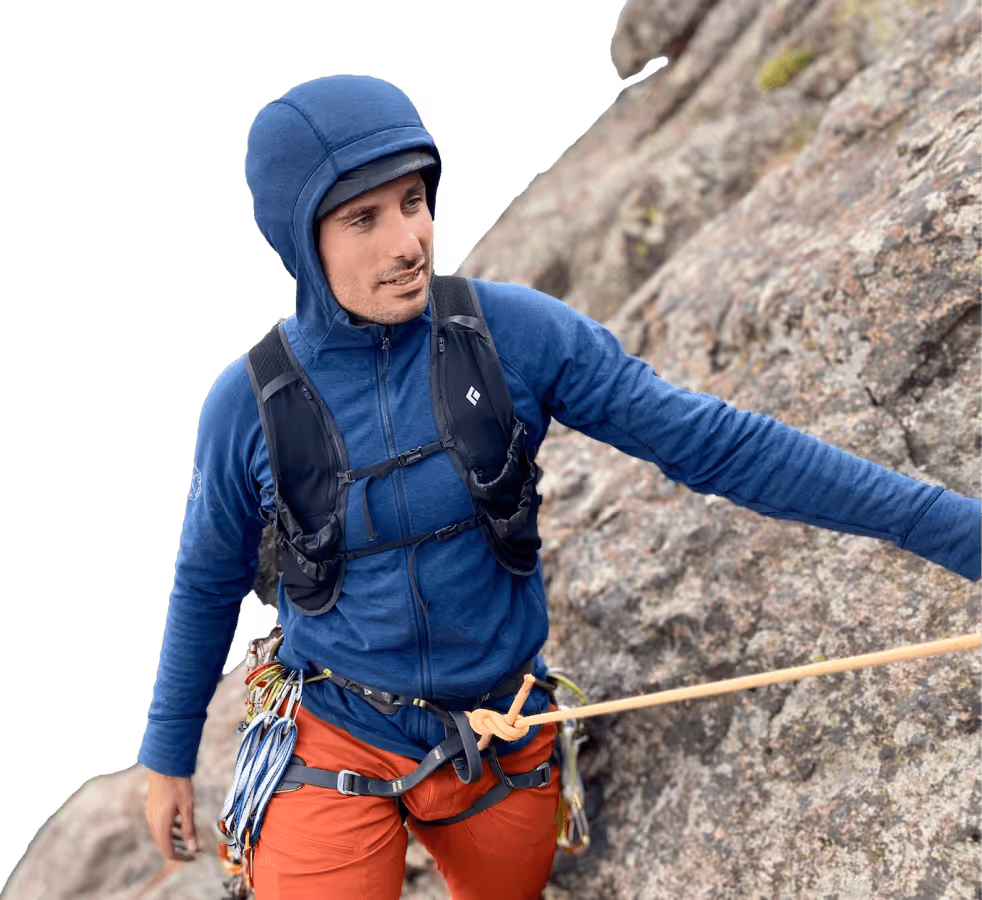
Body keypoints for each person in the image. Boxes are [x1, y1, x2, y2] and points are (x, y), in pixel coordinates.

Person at [138, 74, 981, 900]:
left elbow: (716, 445)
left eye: (412, 200)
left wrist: (955, 531)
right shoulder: (244, 408)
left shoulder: (515, 335)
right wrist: (168, 754)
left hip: (501, 731)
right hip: (334, 739)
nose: (408, 240)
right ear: (300, 240)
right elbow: (207, 579)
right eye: (363, 217)